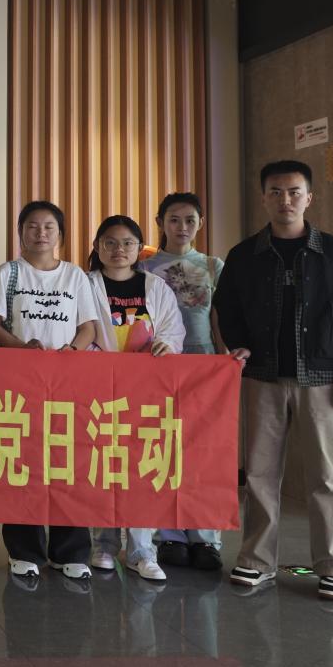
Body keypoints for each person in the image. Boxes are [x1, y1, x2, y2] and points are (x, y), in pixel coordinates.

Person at [214, 160, 333, 601]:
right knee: (260, 474)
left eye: (293, 192)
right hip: (262, 377)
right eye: (276, 192)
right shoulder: (244, 255)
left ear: (309, 198)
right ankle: (256, 560)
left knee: (328, 475)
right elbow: (227, 307)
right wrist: (239, 345)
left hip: (323, 379)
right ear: (264, 197)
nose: (285, 200)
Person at [0, 200, 101, 582]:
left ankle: (72, 550)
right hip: (19, 383)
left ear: (60, 235)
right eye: (32, 226)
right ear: (21, 233)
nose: (40, 233)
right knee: (21, 462)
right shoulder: (9, 272)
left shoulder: (75, 276)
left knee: (69, 463)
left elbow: (88, 327)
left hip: (67, 383)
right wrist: (23, 351)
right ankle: (24, 550)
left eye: (49, 226)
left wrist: (72, 353)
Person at [85, 215, 186, 582]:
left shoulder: (155, 286)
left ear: (139, 248)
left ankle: (142, 549)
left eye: (128, 243)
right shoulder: (86, 284)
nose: (119, 250)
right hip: (99, 390)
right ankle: (105, 544)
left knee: (142, 467)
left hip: (146, 392)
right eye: (110, 242)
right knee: (103, 466)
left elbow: (173, 329)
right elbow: (79, 329)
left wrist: (166, 344)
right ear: (97, 247)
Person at [140, 191, 227, 570]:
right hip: (158, 364)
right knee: (162, 446)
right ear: (160, 222)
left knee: (204, 450)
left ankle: (205, 536)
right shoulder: (144, 267)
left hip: (203, 361)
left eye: (190, 220)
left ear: (200, 224)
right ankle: (168, 534)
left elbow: (220, 317)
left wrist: (225, 359)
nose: (182, 227)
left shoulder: (212, 265)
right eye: (173, 219)